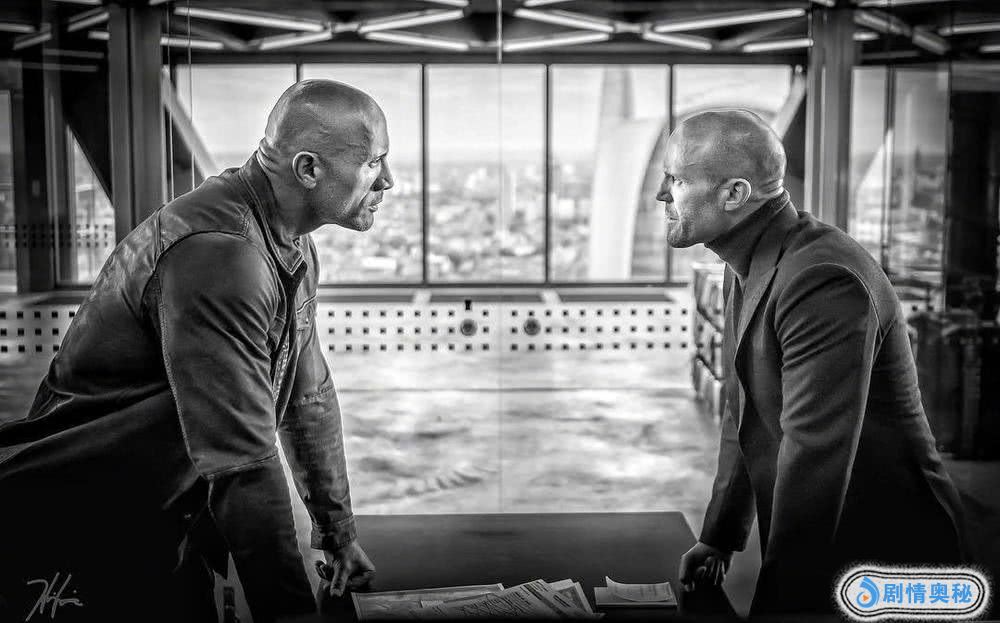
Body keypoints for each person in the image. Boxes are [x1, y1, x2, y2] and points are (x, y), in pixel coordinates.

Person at [0, 79, 393, 623]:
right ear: (308, 169)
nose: (388, 180)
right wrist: (290, 613)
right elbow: (242, 461)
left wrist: (336, 533)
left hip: (153, 516)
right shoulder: (221, 257)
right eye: (374, 162)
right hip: (71, 532)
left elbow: (309, 396)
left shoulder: (285, 240)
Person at [665, 110, 965, 615]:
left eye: (675, 179)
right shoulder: (748, 262)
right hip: (837, 545)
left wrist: (779, 605)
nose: (662, 195)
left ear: (735, 194)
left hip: (894, 554)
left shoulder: (822, 279)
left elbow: (813, 463)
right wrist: (719, 536)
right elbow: (744, 409)